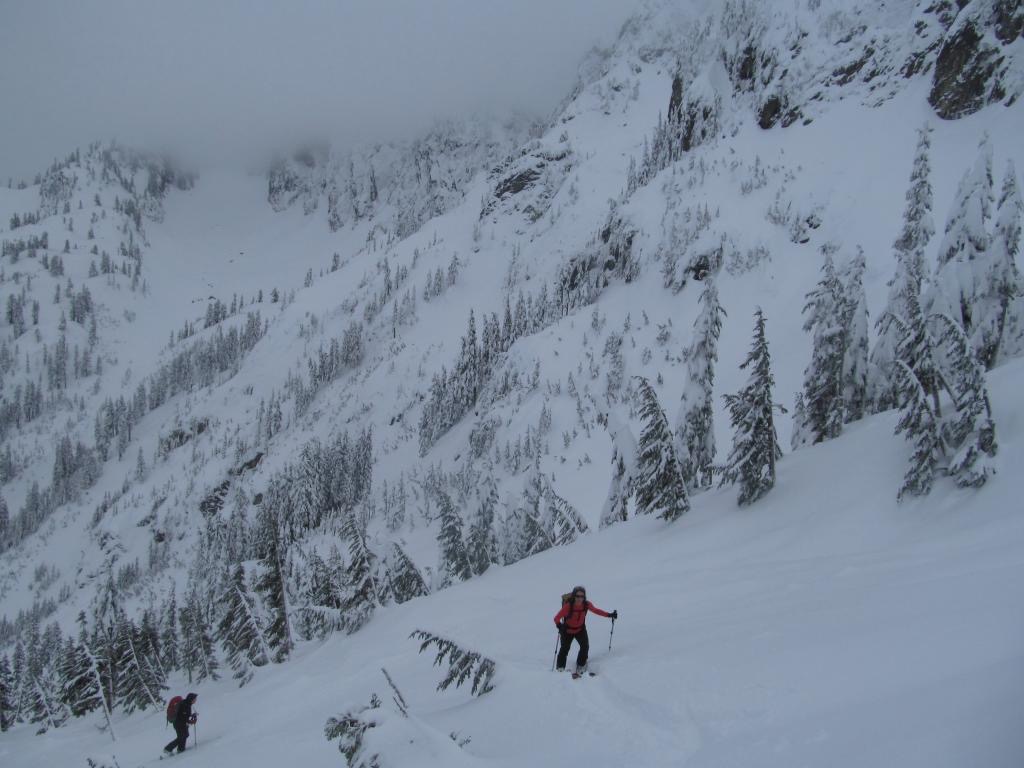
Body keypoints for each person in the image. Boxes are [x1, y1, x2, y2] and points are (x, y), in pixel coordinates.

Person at [553, 585, 617, 673]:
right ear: (574, 596)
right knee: (564, 649)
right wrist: (560, 626)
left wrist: (609, 615)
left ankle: (581, 664)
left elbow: (596, 611)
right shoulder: (568, 606)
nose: (580, 598)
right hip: (567, 631)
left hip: (580, 629)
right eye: (578, 596)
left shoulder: (586, 604)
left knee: (585, 647)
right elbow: (556, 618)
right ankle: (560, 668)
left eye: (582, 596)